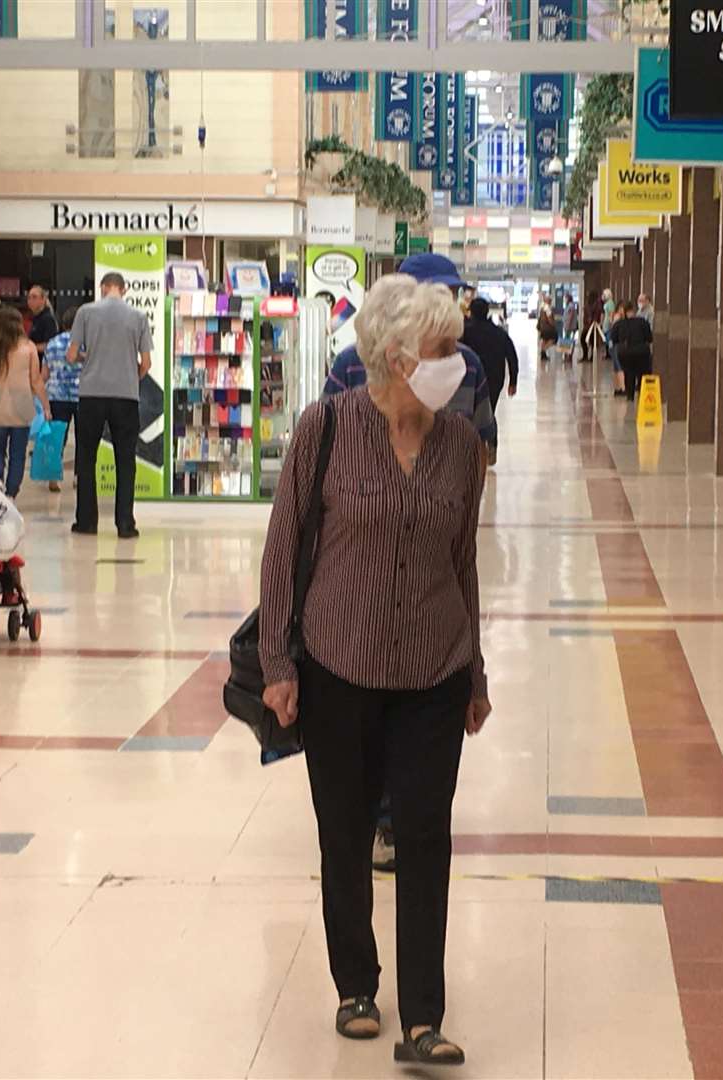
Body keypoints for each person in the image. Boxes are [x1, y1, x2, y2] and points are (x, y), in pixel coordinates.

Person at [259, 275, 489, 1067]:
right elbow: (283, 551)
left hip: (435, 668)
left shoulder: (462, 446)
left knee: (425, 835)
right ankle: (356, 983)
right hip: (339, 665)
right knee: (346, 830)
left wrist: (478, 674)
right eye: (442, 350)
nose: (455, 363)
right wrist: (278, 665)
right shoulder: (324, 429)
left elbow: (465, 564)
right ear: (395, 358)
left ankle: (423, 1016)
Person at [324, 253, 497, 462]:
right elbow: (324, 439)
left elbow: (483, 440)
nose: (443, 305)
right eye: (435, 295)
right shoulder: (351, 363)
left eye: (450, 294)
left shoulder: (467, 365)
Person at [67, 272, 152, 539]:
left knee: (86, 458)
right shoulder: (138, 317)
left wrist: (88, 358)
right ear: (124, 290)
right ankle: (125, 524)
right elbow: (146, 363)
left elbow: (71, 355)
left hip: (91, 393)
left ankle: (86, 522)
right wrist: (129, 374)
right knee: (125, 461)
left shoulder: (85, 312)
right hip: (126, 395)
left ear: (103, 288)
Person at [0, 309, 49, 499]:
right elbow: (36, 380)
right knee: (17, 454)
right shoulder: (28, 347)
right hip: (21, 406)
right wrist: (46, 406)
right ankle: (11, 494)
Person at [43, 307, 81, 493]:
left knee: (57, 437)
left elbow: (45, 373)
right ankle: (78, 476)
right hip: (81, 395)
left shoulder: (52, 343)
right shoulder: (84, 344)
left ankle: (53, 477)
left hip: (56, 396)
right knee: (83, 437)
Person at [462, 297, 520, 415]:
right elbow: (512, 356)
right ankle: (488, 431)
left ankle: (470, 432)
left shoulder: (464, 332)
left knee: (469, 413)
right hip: (494, 379)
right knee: (489, 411)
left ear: (471, 312)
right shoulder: (499, 333)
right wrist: (513, 381)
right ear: (487, 312)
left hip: (469, 377)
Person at [610, 301, 655, 402]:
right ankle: (643, 395)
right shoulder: (643, 322)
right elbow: (649, 338)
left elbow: (614, 339)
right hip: (642, 352)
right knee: (643, 374)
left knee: (628, 373)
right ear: (633, 310)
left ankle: (630, 396)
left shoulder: (619, 324)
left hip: (625, 353)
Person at [26, 284, 59, 357]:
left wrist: (29, 347)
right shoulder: (35, 318)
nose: (30, 300)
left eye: (34, 297)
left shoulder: (48, 319)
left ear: (43, 299)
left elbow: (49, 345)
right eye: (29, 297)